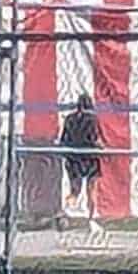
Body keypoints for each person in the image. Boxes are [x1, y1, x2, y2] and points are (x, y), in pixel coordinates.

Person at [59, 94, 105, 238]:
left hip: (73, 158)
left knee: (75, 191)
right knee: (91, 190)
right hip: (89, 158)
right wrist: (102, 148)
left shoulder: (69, 119)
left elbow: (63, 140)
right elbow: (96, 139)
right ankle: (91, 220)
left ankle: (64, 212)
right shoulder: (92, 119)